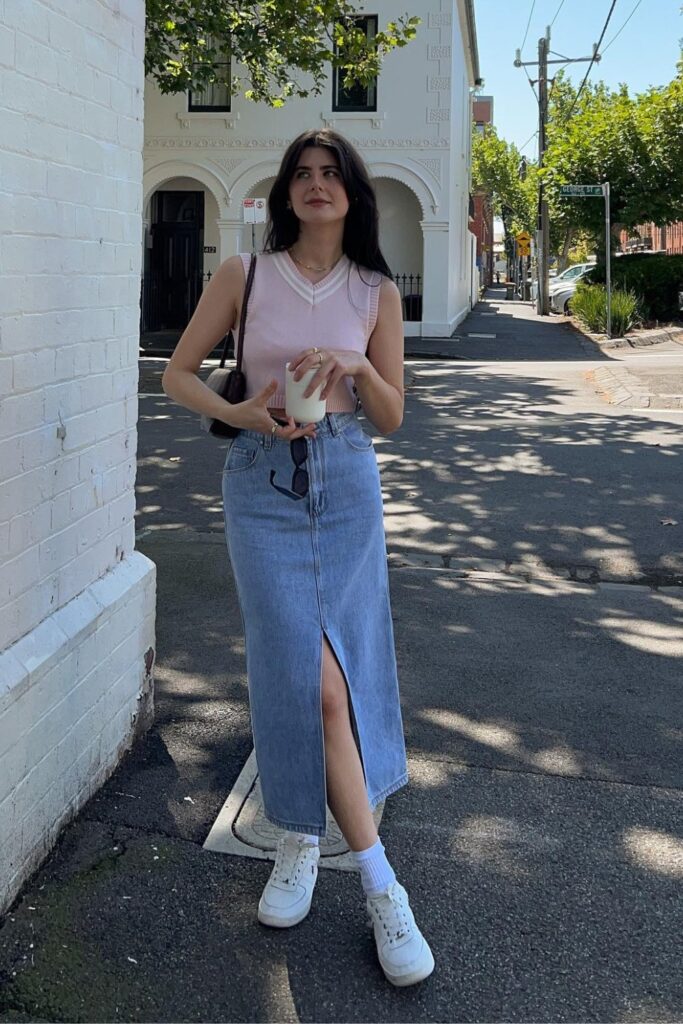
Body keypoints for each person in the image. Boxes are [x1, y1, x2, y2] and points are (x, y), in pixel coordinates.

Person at [162, 128, 434, 987]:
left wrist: (357, 361)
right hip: (260, 483)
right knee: (303, 680)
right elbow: (179, 375)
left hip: (347, 484)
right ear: (285, 194)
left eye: (331, 175)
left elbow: (390, 416)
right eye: (302, 176)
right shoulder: (246, 275)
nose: (316, 186)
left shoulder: (375, 290)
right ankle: (363, 874)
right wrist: (241, 415)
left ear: (353, 193)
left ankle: (311, 843)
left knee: (339, 678)